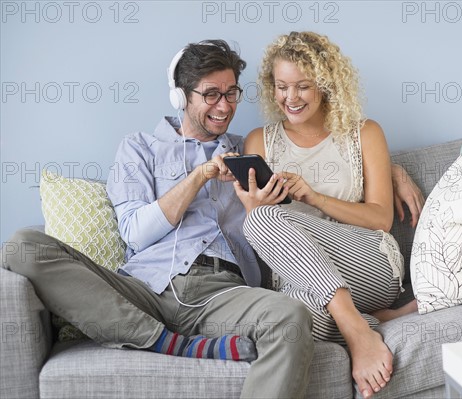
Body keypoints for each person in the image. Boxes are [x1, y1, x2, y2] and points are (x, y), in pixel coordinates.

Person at [5, 40, 315, 398]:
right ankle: (168, 342)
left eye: (232, 93)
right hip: (143, 291)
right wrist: (198, 176)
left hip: (223, 292)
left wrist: (394, 174)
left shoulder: (249, 150)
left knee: (290, 317)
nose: (225, 106)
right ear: (181, 98)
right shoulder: (139, 148)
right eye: (211, 94)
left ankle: (166, 338)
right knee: (22, 247)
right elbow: (136, 234)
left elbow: (317, 166)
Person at [233, 31, 423, 399]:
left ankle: (355, 332)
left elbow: (381, 219)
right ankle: (372, 322)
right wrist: (254, 207)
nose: (290, 98)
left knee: (260, 221)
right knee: (290, 316)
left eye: (302, 86)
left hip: (370, 262)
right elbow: (262, 237)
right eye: (281, 86)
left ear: (325, 84)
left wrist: (315, 197)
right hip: (303, 282)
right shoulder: (259, 141)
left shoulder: (364, 133)